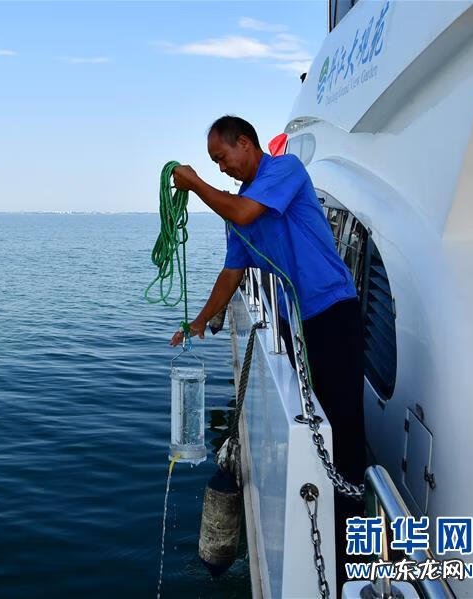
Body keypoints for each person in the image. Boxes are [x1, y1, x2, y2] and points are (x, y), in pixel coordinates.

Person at [169, 115, 365, 591]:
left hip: (332, 311)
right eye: (214, 164)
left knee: (344, 427)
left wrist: (195, 184)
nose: (221, 168)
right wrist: (200, 320)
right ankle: (333, 514)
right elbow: (231, 273)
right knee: (318, 418)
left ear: (245, 143)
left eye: (222, 158)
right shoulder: (240, 205)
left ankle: (354, 543)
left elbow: (243, 214)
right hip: (297, 323)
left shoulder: (285, 170)